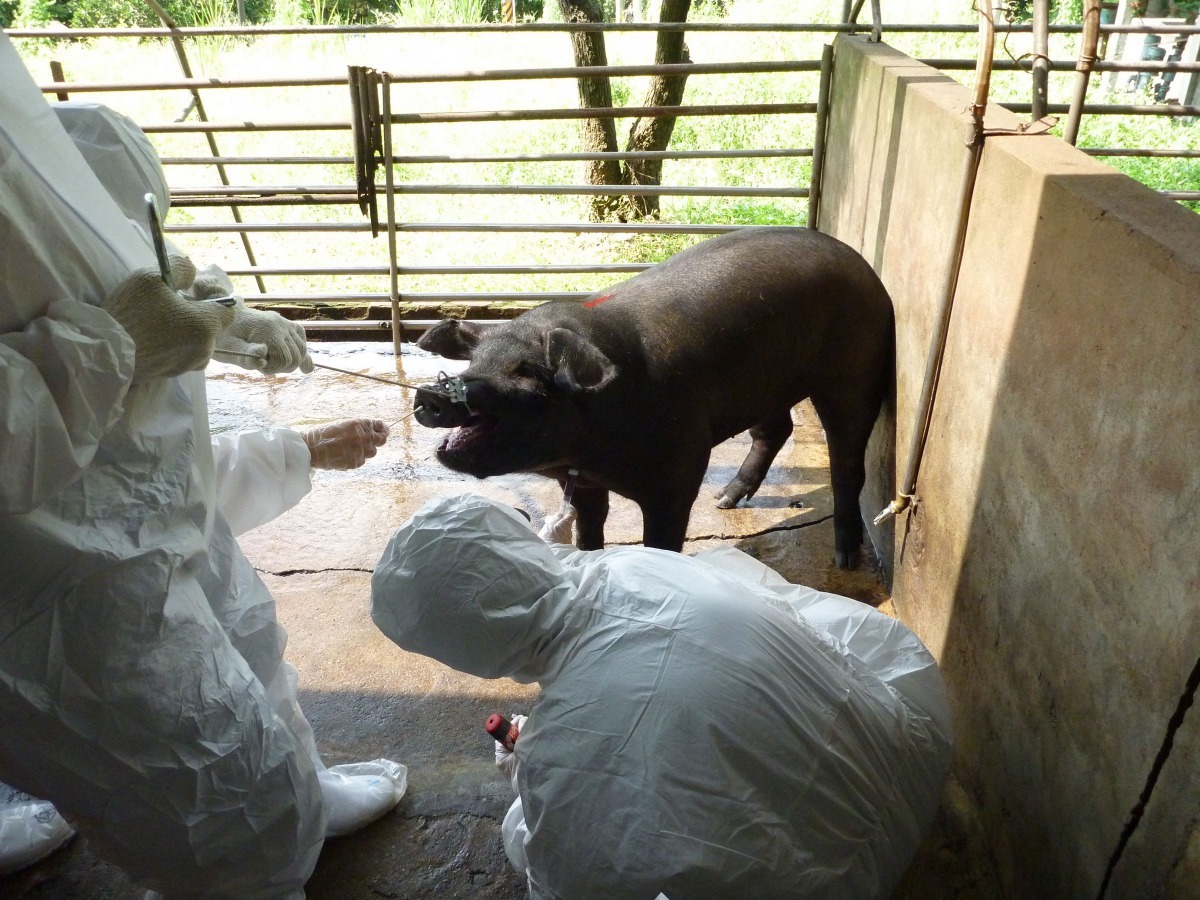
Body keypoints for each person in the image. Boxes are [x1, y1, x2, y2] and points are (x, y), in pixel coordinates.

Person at [0, 34, 404, 897]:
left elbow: (139, 447)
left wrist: (212, 313)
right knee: (214, 798)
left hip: (138, 511)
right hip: (56, 590)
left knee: (249, 644)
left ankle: (299, 791)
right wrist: (113, 340)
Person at [371, 493, 954, 900]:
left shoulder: (565, 756)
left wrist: (537, 769)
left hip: (841, 883)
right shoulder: (640, 566)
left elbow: (566, 885)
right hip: (908, 753)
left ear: (461, 649)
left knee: (525, 835)